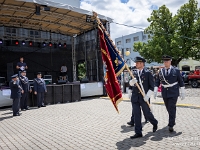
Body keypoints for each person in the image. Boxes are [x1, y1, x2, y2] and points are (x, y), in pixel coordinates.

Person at [154, 55, 185, 132]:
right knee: (168, 108)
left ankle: (171, 124)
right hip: (165, 92)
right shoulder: (161, 71)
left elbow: (181, 81)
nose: (165, 62)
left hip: (174, 92)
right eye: (164, 61)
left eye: (167, 61)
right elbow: (157, 81)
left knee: (171, 107)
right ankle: (172, 119)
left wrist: (182, 91)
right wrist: (155, 90)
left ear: (170, 61)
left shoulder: (176, 70)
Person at [129, 57, 158, 139]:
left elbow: (152, 87)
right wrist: (131, 82)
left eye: (137, 63)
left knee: (147, 114)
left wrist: (148, 96)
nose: (136, 64)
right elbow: (130, 84)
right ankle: (138, 132)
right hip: (135, 97)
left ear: (142, 64)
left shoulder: (148, 73)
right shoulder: (134, 73)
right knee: (137, 115)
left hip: (144, 97)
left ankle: (154, 122)